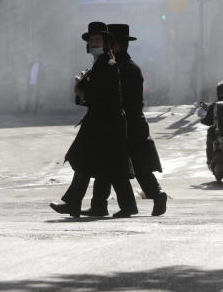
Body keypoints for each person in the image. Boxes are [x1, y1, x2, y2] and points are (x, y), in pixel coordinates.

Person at [52, 22, 137, 218]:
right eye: (91, 40)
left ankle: (77, 203)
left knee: (85, 159)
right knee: (104, 165)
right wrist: (83, 87)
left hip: (106, 123)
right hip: (103, 122)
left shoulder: (107, 64)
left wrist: (82, 87)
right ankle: (95, 205)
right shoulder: (101, 63)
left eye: (98, 39)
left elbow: (99, 95)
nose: (93, 43)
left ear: (106, 43)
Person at [85, 24, 167, 217]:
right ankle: (155, 194)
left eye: (108, 43)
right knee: (127, 165)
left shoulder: (116, 67)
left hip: (123, 123)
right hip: (134, 122)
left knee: (114, 165)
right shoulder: (132, 67)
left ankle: (107, 204)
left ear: (116, 46)